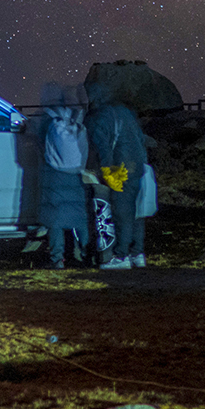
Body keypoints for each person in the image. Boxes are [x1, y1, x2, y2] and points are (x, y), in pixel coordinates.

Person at [86, 87, 148, 269]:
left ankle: (121, 256)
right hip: (136, 165)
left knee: (122, 213)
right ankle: (137, 253)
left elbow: (103, 148)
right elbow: (140, 139)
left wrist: (107, 172)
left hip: (120, 167)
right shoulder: (125, 113)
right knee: (135, 212)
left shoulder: (100, 117)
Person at [37, 82, 92, 269]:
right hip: (77, 173)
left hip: (55, 174)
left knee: (56, 220)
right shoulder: (77, 117)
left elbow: (36, 138)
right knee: (80, 217)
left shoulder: (47, 119)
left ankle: (57, 259)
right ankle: (87, 255)